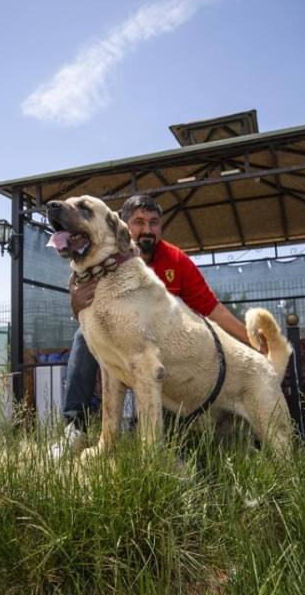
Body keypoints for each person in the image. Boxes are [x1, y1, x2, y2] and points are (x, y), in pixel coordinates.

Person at [52, 193, 260, 457]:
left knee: (172, 431)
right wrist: (75, 303)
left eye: (154, 222)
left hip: (166, 361)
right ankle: (76, 427)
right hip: (118, 352)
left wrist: (253, 343)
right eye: (139, 222)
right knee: (83, 336)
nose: (147, 230)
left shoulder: (175, 259)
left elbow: (211, 308)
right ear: (121, 226)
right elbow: (86, 314)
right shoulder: (92, 263)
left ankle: (158, 443)